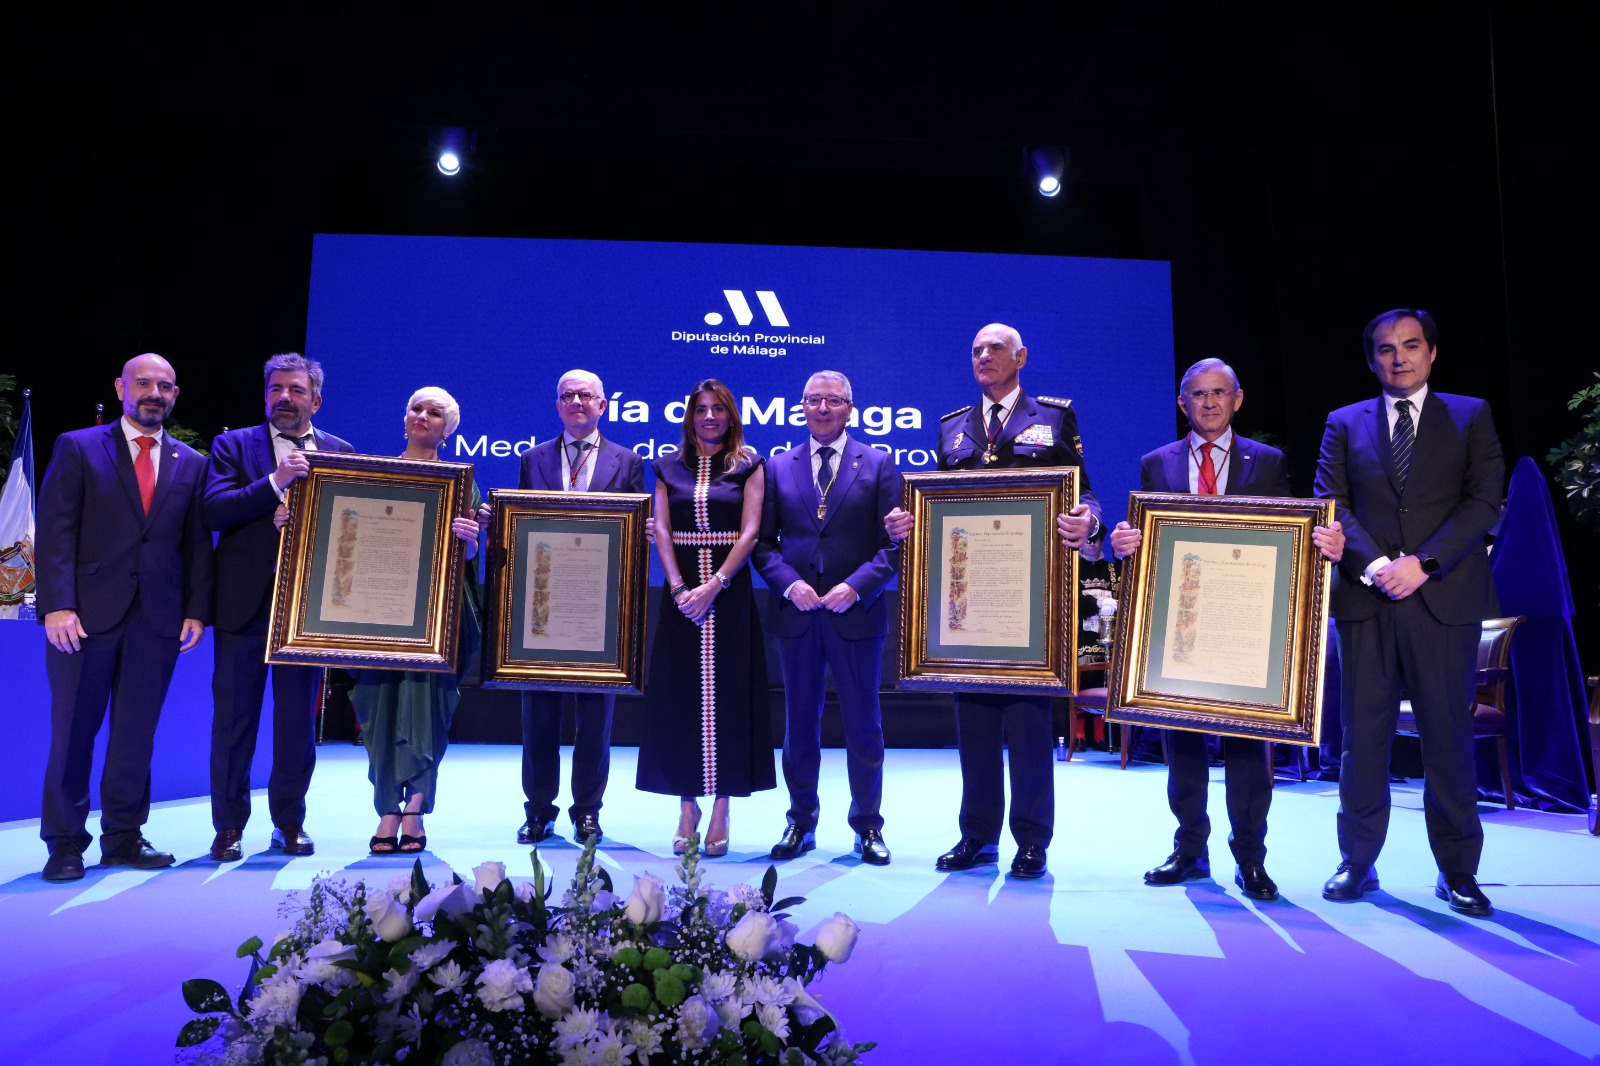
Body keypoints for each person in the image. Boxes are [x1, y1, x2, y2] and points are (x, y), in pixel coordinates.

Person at [1108, 358, 1345, 901]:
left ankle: (1250, 858)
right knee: (1183, 743)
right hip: (1182, 626)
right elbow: (1146, 537)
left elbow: (1288, 536)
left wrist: (1323, 544)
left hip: (1245, 625)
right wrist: (1125, 544)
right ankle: (1190, 850)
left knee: (1247, 747)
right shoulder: (1156, 463)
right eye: (1198, 394)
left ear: (1237, 399)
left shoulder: (1269, 461)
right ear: (1182, 404)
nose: (1209, 402)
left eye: (1219, 393)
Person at [885, 323, 1103, 879]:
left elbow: (1085, 493)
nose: (984, 356)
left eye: (995, 348)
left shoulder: (1052, 416)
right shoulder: (952, 427)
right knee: (975, 723)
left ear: (1021, 357)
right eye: (976, 350)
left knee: (1029, 726)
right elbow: (941, 505)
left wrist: (1090, 523)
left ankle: (1032, 841)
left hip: (1031, 599)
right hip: (970, 601)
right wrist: (910, 525)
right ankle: (977, 836)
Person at [1314, 309, 1504, 917]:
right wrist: (1375, 566)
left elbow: (1484, 501)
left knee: (1447, 740)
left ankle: (1458, 870)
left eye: (1411, 345)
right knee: (1361, 740)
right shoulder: (1344, 421)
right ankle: (1357, 862)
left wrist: (1422, 562)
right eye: (1386, 349)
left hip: (1443, 600)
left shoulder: (1470, 414)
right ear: (1372, 359)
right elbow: (1330, 501)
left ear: (1432, 352)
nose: (1399, 358)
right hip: (1366, 602)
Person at [35, 353, 213, 880]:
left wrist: (196, 610)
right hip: (83, 617)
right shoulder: (77, 446)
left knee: (136, 735)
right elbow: (55, 530)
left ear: (175, 395)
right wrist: (57, 604)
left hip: (157, 619)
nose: (154, 393)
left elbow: (196, 545)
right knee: (73, 732)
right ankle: (65, 843)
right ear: (120, 388)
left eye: (165, 386)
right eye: (143, 383)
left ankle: (123, 837)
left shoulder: (191, 462)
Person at [203, 354, 354, 861]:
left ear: (317, 400)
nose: (283, 398)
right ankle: (228, 827)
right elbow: (214, 510)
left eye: (295, 390)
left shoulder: (340, 452)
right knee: (233, 722)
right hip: (243, 605)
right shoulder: (232, 445)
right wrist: (274, 485)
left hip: (307, 610)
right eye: (275, 389)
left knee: (295, 726)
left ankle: (289, 823)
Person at [753, 370, 900, 865]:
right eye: (813, 400)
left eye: (832, 401)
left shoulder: (878, 464)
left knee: (864, 726)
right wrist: (789, 584)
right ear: (802, 406)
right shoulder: (777, 466)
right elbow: (762, 544)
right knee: (799, 727)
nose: (822, 408)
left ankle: (868, 826)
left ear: (849, 409)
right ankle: (800, 822)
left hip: (856, 613)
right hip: (797, 613)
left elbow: (894, 545)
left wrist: (855, 586)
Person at [328, 387, 482, 854]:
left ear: (447, 429)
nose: (423, 416)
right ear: (405, 417)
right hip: (377, 613)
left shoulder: (461, 483)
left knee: (427, 710)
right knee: (378, 707)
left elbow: (468, 558)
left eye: (435, 413)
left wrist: (470, 541)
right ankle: (385, 810)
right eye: (417, 408)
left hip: (436, 619)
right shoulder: (375, 476)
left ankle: (414, 808)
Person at [636, 378, 774, 855]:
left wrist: (714, 585)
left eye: (718, 408)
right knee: (681, 699)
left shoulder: (749, 464)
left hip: (729, 594)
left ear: (731, 415)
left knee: (730, 697)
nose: (709, 416)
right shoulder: (666, 466)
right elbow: (662, 530)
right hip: (680, 598)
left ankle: (722, 807)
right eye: (701, 409)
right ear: (690, 416)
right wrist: (678, 588)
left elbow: (750, 532)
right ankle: (686, 805)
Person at [515, 369, 645, 846]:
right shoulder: (532, 459)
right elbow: (522, 525)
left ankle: (587, 811)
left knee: (595, 719)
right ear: (557, 406)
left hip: (599, 607)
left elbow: (634, 537)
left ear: (602, 405)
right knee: (539, 716)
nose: (576, 402)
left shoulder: (628, 462)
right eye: (567, 395)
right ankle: (538, 811)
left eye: (585, 395)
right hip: (543, 605)